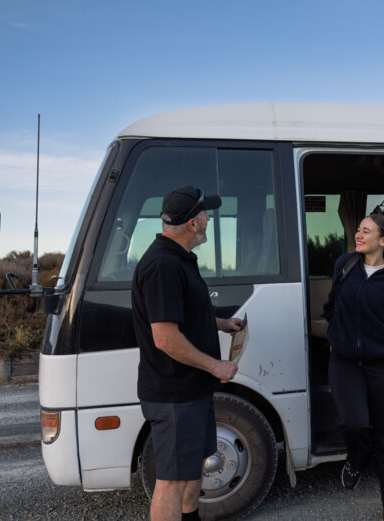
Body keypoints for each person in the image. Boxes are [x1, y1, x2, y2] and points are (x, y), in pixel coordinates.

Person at [131, 185, 243, 521]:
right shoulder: (164, 265)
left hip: (191, 390)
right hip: (175, 395)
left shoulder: (177, 259)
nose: (210, 218)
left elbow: (186, 314)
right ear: (193, 224)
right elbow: (165, 339)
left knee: (192, 470)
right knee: (171, 482)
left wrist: (222, 324)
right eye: (206, 213)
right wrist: (216, 366)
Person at [323, 213, 384, 520]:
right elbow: (331, 306)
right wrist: (336, 335)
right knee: (354, 423)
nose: (358, 234)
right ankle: (357, 459)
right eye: (358, 228)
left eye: (366, 231)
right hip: (345, 361)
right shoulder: (345, 264)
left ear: (383, 241)